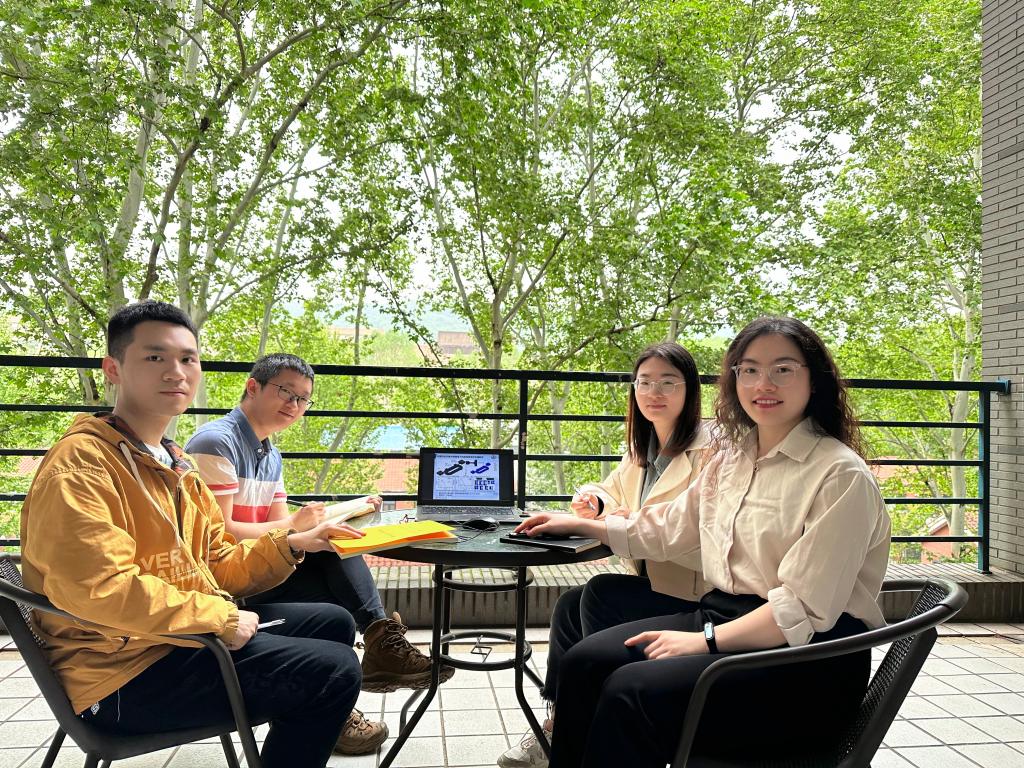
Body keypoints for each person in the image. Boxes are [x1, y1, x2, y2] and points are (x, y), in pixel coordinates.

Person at [514, 316, 892, 768]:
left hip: (805, 660)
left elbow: (802, 608)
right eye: (749, 370)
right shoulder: (733, 458)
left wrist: (704, 641)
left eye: (783, 369)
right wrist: (582, 525)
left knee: (629, 691)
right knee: (583, 663)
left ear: (815, 379)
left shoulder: (839, 474)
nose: (763, 384)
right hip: (724, 616)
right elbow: (668, 528)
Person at [19, 301, 368, 768]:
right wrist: (220, 618)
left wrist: (290, 544)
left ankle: (305, 721)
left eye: (187, 358)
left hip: (170, 640)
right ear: (113, 369)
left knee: (334, 622)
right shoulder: (81, 468)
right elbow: (97, 588)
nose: (176, 372)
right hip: (119, 677)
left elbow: (217, 562)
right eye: (154, 357)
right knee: (334, 671)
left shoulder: (174, 463)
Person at [184, 354, 454, 731]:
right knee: (331, 566)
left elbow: (280, 529)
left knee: (334, 549)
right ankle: (366, 666)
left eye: (302, 399)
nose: (294, 405)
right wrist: (304, 526)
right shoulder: (216, 442)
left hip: (257, 565)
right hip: (226, 580)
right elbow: (221, 535)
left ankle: (345, 687)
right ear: (252, 387)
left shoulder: (269, 453)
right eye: (286, 392)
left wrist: (335, 516)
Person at [499, 341, 711, 768]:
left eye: (668, 382)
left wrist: (604, 522)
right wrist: (594, 501)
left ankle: (604, 708)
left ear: (689, 389)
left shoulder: (710, 453)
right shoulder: (643, 448)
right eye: (644, 383)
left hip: (696, 591)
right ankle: (561, 720)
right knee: (569, 605)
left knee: (601, 593)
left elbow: (684, 529)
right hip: (656, 579)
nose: (654, 393)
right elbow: (612, 490)